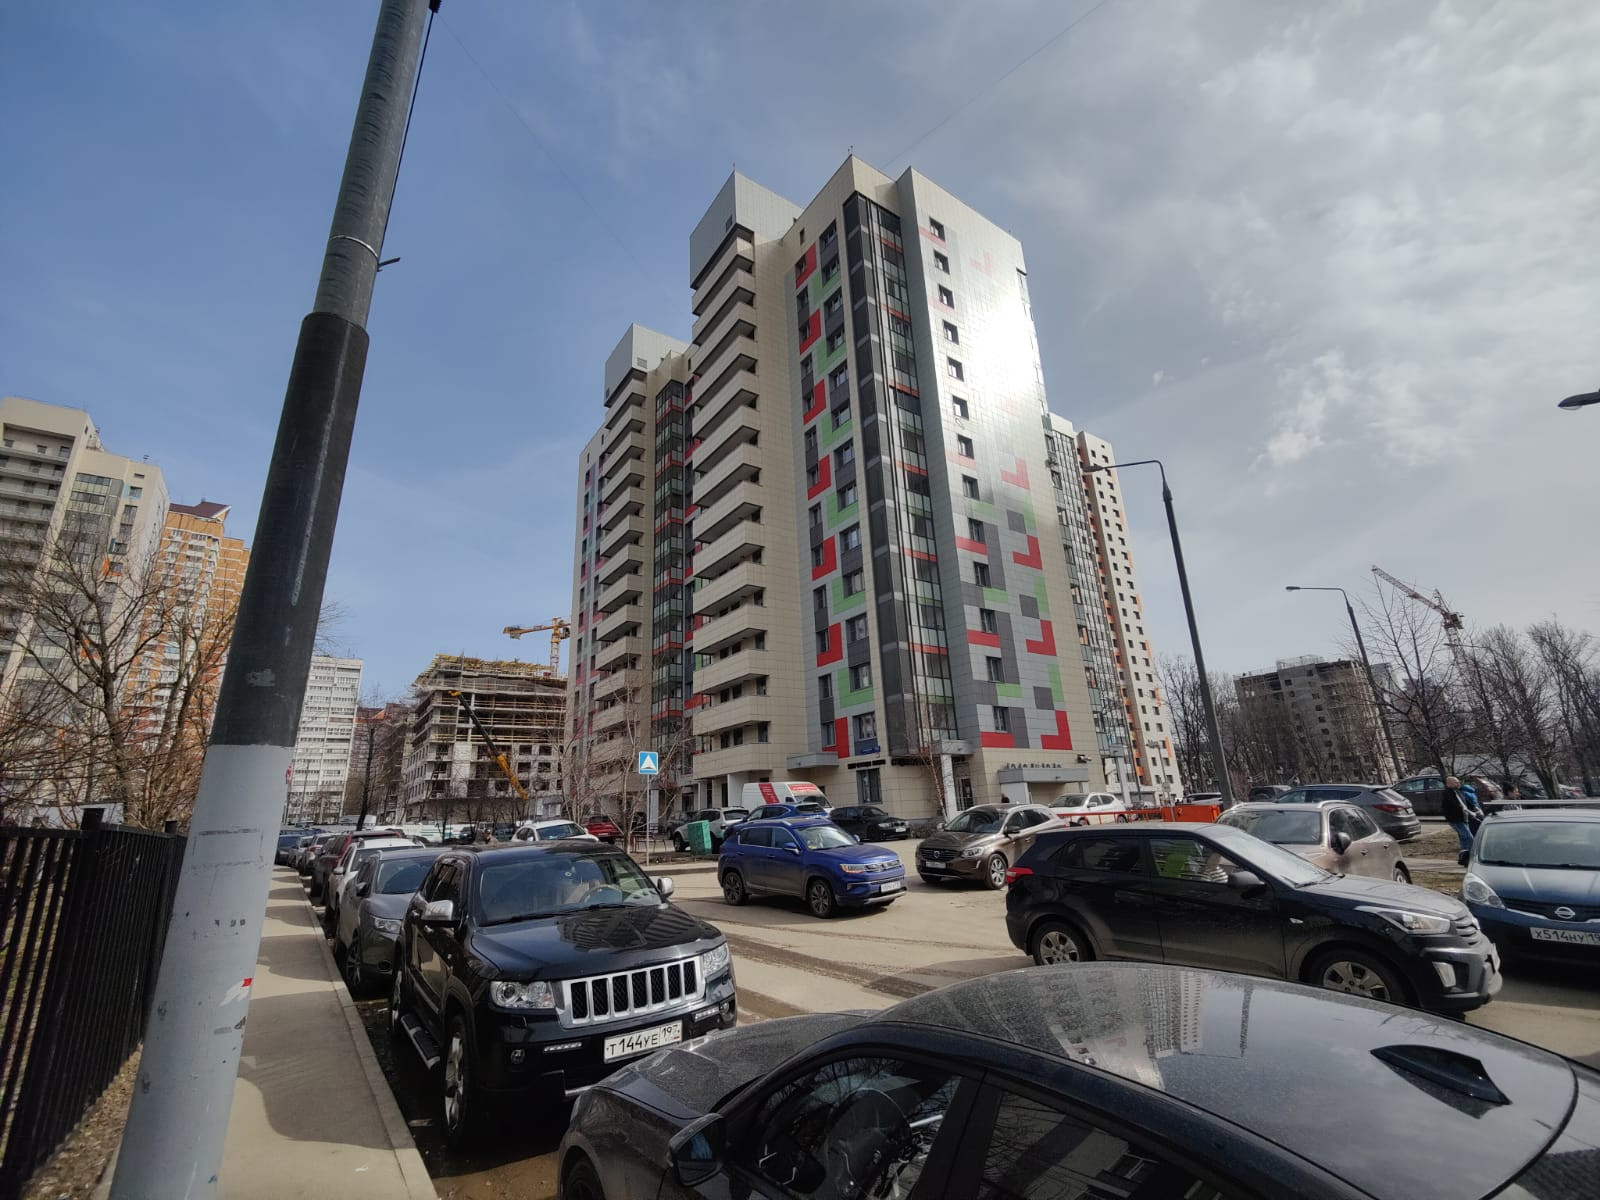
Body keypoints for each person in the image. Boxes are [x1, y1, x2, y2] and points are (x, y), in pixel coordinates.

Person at [1441, 776, 1479, 853]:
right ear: (1449, 784)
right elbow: (1456, 805)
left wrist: (1475, 808)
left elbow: (1465, 803)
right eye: (1456, 782)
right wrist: (1469, 812)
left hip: (1464, 818)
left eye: (1458, 782)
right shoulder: (1447, 793)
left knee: (1463, 838)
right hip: (1456, 819)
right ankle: (1474, 854)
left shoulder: (1458, 791)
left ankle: (1464, 854)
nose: (1458, 783)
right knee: (1469, 838)